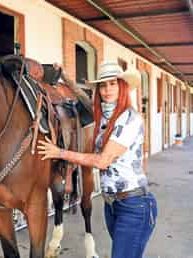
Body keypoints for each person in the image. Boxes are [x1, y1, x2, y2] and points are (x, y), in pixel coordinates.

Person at [38, 60, 158, 258]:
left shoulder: (129, 118)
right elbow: (82, 96)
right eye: (103, 85)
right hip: (113, 205)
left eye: (113, 84)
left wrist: (59, 153)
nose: (107, 89)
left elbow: (103, 161)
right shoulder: (104, 114)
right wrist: (65, 75)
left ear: (122, 86)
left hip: (134, 205)